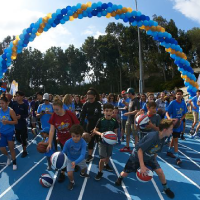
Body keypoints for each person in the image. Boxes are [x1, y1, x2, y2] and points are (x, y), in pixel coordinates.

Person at [115, 119, 175, 199]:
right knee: (125, 173)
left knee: (160, 172)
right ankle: (120, 178)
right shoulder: (153, 137)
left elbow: (156, 151)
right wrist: (142, 166)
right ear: (165, 130)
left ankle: (165, 188)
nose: (172, 131)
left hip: (149, 157)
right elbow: (140, 150)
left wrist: (154, 162)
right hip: (136, 157)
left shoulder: (163, 138)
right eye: (171, 129)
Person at [46, 98, 79, 182]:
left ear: (62, 107)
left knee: (72, 154)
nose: (55, 111)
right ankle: (63, 172)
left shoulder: (69, 114)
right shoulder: (54, 116)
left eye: (57, 109)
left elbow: (77, 125)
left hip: (72, 138)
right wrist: (49, 143)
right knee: (64, 155)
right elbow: (52, 130)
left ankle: (73, 164)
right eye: (54, 109)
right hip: (62, 139)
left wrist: (77, 136)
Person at [93, 103, 119, 180]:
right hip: (102, 141)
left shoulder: (114, 121)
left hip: (110, 142)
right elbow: (95, 130)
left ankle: (106, 165)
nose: (108, 112)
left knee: (108, 156)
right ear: (103, 111)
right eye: (106, 111)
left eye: (110, 111)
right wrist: (100, 134)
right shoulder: (101, 120)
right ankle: (100, 172)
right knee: (102, 158)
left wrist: (115, 138)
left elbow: (116, 132)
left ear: (113, 112)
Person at [62, 124, 89, 190]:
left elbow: (83, 155)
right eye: (73, 136)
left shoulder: (83, 143)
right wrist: (58, 157)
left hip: (79, 159)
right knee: (69, 174)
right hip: (70, 159)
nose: (75, 138)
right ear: (71, 135)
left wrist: (76, 162)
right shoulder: (68, 142)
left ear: (81, 136)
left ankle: (82, 173)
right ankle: (72, 182)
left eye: (77, 136)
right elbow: (63, 152)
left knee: (84, 168)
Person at [80, 88, 103, 163]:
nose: (90, 100)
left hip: (99, 125)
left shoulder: (99, 104)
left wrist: (96, 129)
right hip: (89, 125)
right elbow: (82, 116)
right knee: (90, 141)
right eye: (88, 98)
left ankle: (103, 158)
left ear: (95, 96)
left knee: (101, 141)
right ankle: (89, 156)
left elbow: (101, 117)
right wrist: (82, 130)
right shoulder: (85, 104)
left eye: (91, 98)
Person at [166, 89, 187, 165]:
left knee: (174, 138)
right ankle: (177, 158)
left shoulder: (183, 103)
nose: (179, 95)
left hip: (179, 124)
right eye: (177, 94)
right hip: (174, 125)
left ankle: (169, 151)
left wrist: (181, 119)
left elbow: (185, 113)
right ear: (175, 95)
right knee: (176, 140)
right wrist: (169, 119)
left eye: (180, 94)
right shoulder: (173, 103)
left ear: (182, 95)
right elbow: (167, 112)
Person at [0, 94, 18, 170]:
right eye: (0, 103)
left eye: (2, 103)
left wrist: (7, 122)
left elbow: (16, 121)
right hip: (2, 132)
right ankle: (8, 156)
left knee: (11, 148)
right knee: (2, 149)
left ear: (7, 103)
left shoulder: (10, 111)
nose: (1, 105)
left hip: (10, 132)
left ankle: (14, 162)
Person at [120, 88, 140, 152]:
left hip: (134, 121)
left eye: (127, 93)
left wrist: (128, 113)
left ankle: (136, 148)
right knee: (127, 134)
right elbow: (130, 106)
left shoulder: (136, 101)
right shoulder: (131, 100)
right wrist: (126, 104)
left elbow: (137, 111)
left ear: (130, 93)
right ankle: (127, 146)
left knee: (135, 135)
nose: (126, 94)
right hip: (129, 120)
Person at [12, 91, 29, 158]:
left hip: (22, 124)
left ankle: (24, 150)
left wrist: (21, 116)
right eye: (16, 96)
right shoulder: (14, 104)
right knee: (17, 137)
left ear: (22, 97)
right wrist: (14, 117)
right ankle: (23, 143)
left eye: (18, 96)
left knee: (23, 137)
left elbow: (26, 115)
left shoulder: (25, 105)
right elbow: (12, 113)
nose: (17, 97)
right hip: (16, 125)